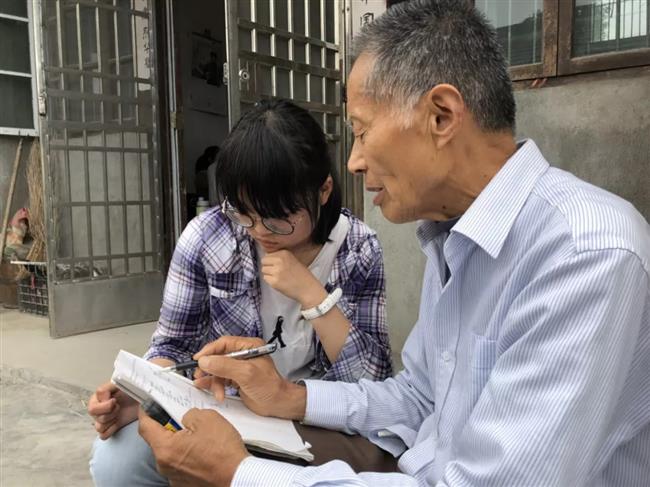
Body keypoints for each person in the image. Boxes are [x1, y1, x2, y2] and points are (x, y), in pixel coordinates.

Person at [137, 0, 650, 485]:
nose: (355, 161)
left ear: (441, 116)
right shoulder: (451, 239)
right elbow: (418, 399)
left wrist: (239, 474)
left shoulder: (585, 255)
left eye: (361, 131)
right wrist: (288, 395)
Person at [87, 100, 393, 486]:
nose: (259, 231)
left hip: (312, 419)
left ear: (324, 190)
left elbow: (373, 381)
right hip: (224, 410)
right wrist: (145, 388)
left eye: (278, 217)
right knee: (118, 460)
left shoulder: (358, 249)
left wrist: (314, 296)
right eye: (243, 212)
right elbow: (172, 346)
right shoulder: (208, 236)